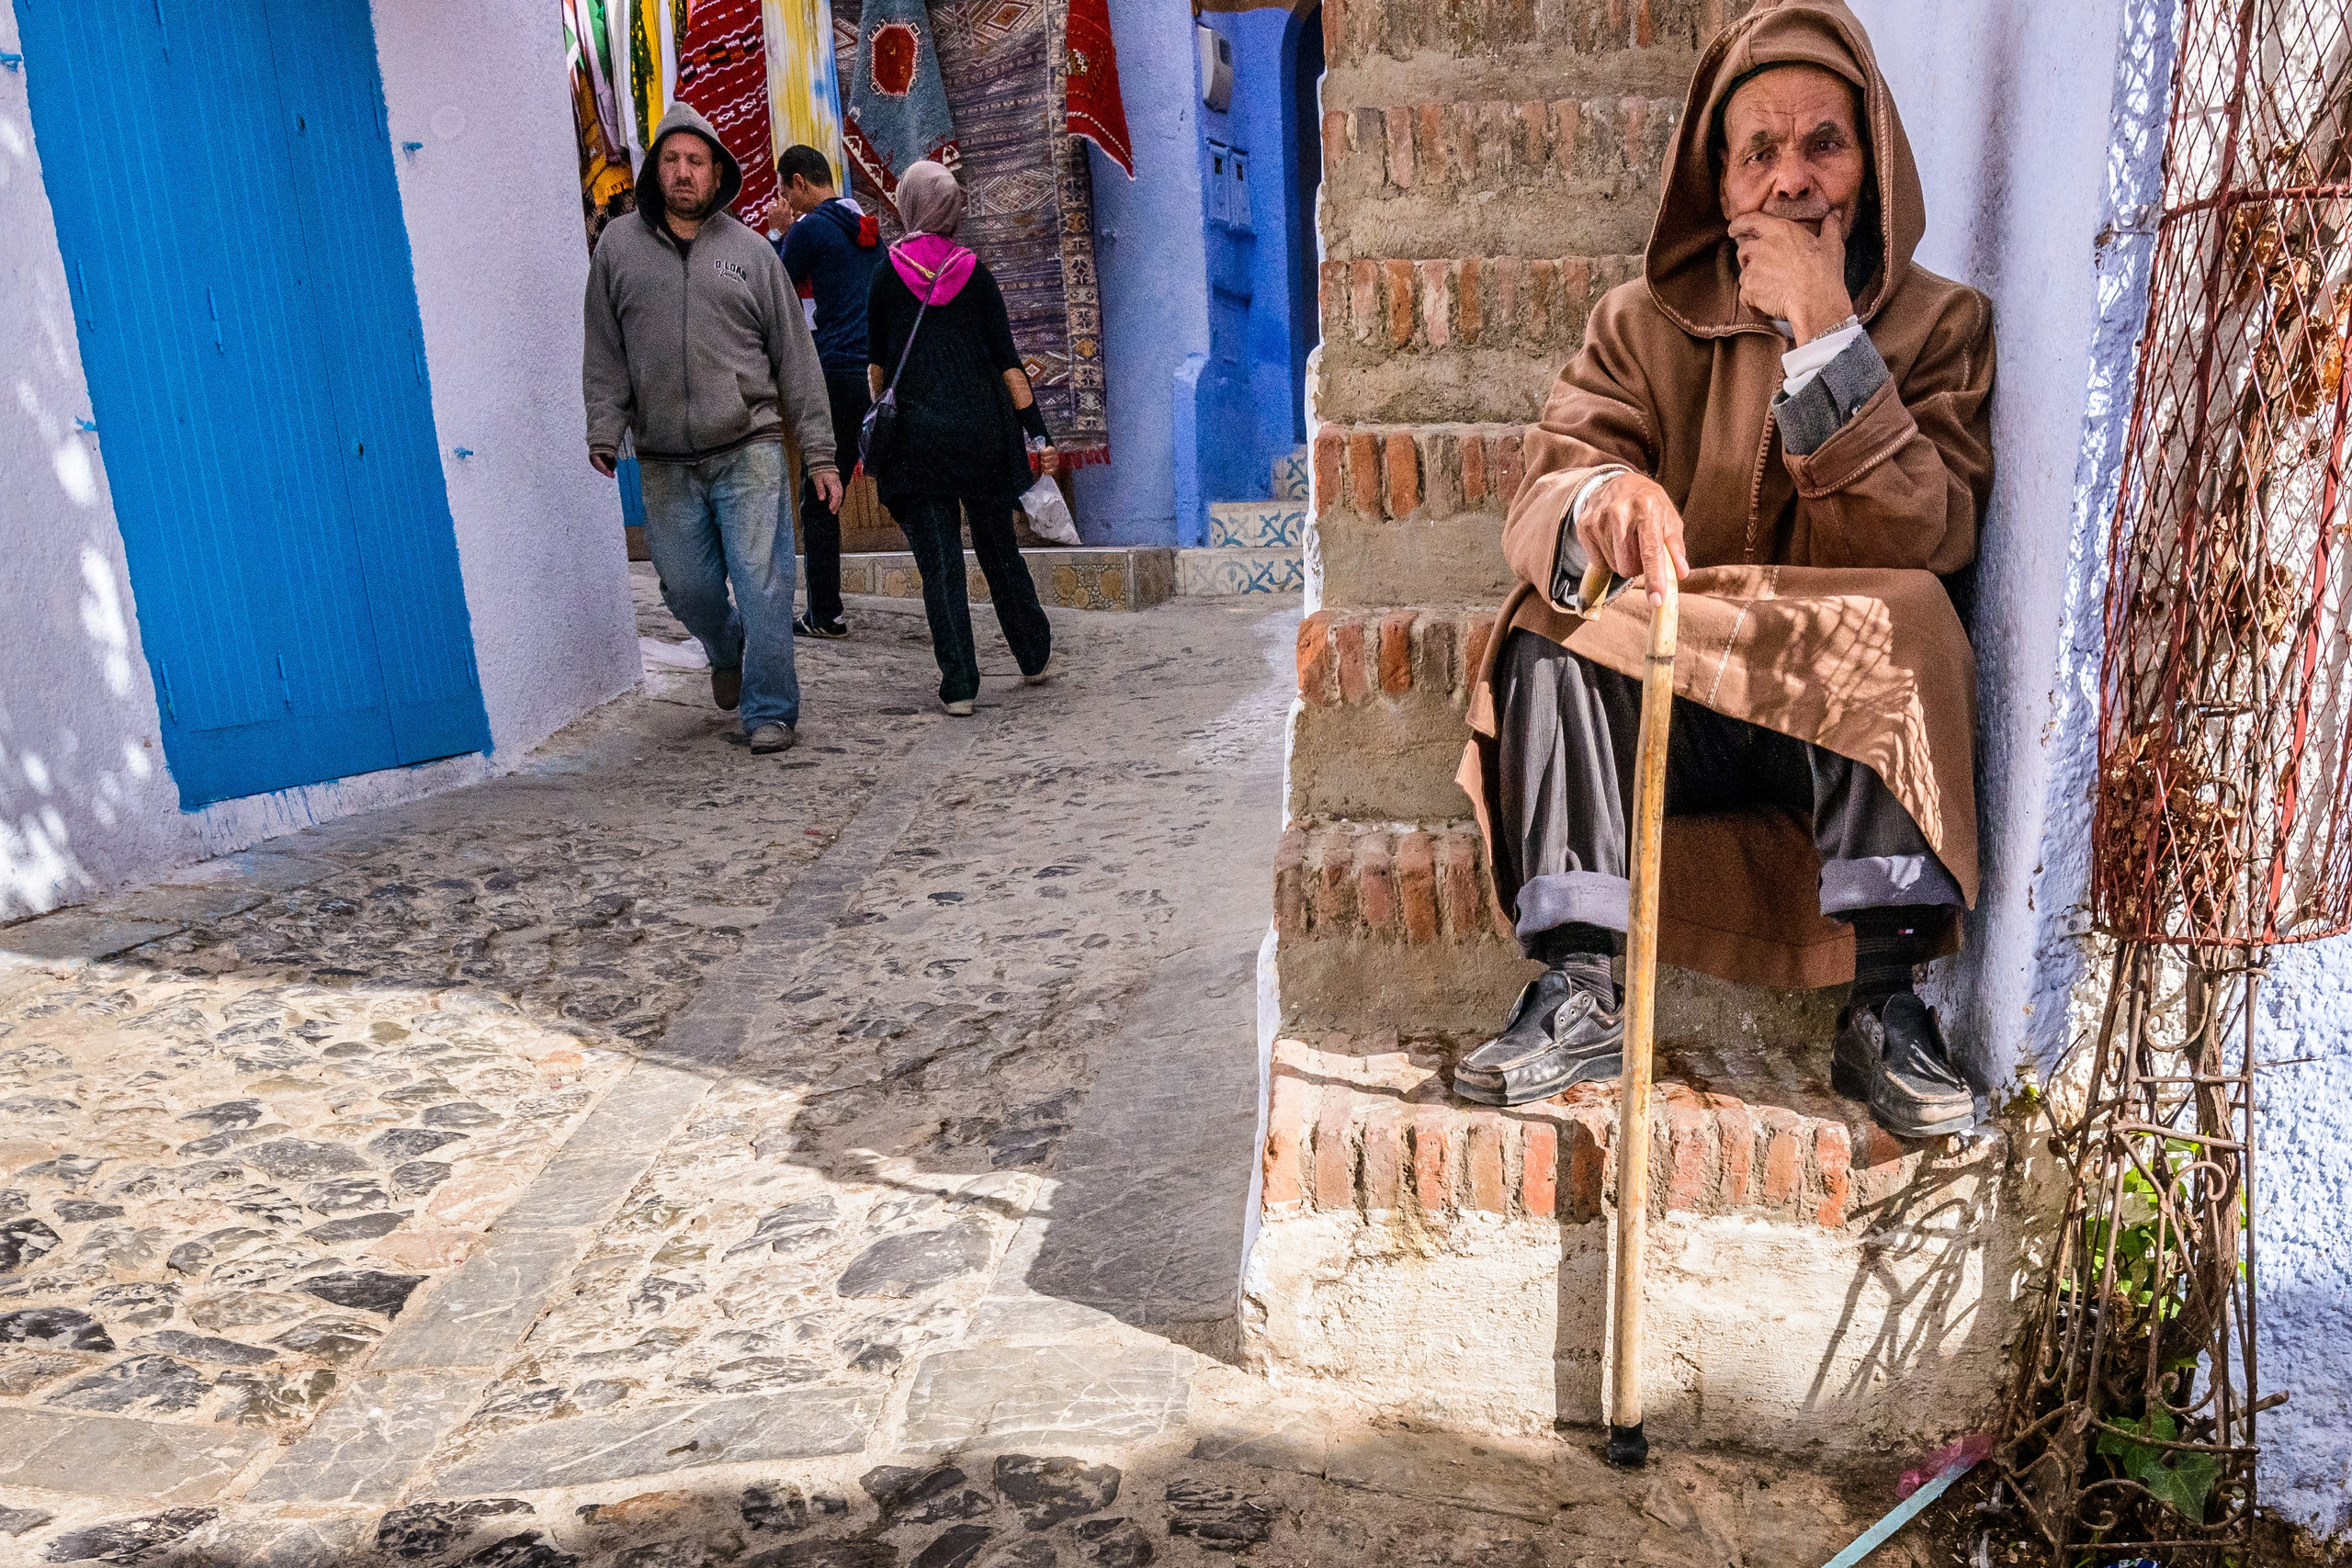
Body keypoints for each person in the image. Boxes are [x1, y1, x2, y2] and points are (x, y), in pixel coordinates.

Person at [1453, 0, 1996, 1142]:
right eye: (1761, 152)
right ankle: (1578, 984)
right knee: (1547, 623)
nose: (1792, 180)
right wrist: (1604, 499)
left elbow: (1927, 536)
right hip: (1680, 700)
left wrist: (1829, 336)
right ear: (1720, 182)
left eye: (1824, 144)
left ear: (1873, 163)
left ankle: (1885, 1005)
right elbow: (1550, 481)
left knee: (1911, 614)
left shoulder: (1942, 325)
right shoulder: (1635, 325)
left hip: (1834, 720)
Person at [582, 103, 842, 755]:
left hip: (749, 444)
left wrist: (819, 453)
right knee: (687, 588)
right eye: (671, 159)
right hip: (664, 455)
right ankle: (726, 647)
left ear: (717, 172)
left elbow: (796, 357)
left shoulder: (752, 253)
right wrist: (605, 426)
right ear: (654, 170)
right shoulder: (617, 249)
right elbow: (605, 348)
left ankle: (770, 709)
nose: (683, 172)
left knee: (763, 583)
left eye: (695, 161)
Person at [864, 160, 1057, 717]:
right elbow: (1009, 365)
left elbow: (876, 370)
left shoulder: (885, 274)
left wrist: (881, 415)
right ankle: (1033, 656)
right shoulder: (976, 274)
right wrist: (1037, 432)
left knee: (941, 565)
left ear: (909, 204)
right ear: (952, 210)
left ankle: (960, 686)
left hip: (918, 444)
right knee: (999, 550)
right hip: (982, 439)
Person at [773, 144, 882, 641]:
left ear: (798, 183)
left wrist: (779, 232)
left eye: (784, 191)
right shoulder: (864, 225)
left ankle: (824, 614)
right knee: (897, 485)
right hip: (876, 376)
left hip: (835, 374)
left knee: (819, 493)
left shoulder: (810, 228)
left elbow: (774, 289)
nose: (784, 201)